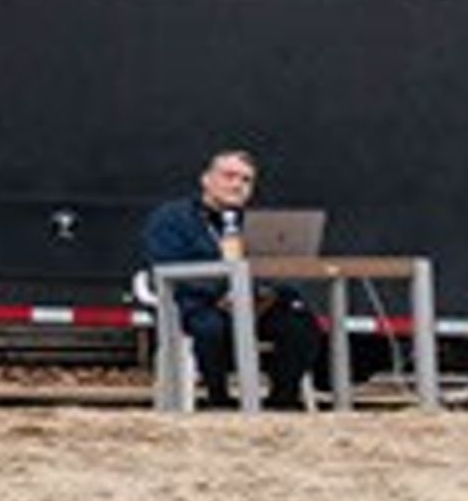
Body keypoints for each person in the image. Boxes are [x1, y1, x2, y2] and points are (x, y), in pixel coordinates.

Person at [138, 144, 328, 405]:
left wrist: (268, 293)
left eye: (246, 180)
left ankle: (281, 401)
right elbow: (165, 268)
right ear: (206, 180)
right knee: (211, 327)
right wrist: (219, 294)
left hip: (253, 304)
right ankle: (219, 399)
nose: (238, 185)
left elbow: (275, 269)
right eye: (229, 176)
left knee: (300, 324)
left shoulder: (257, 223)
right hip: (199, 303)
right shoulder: (172, 218)